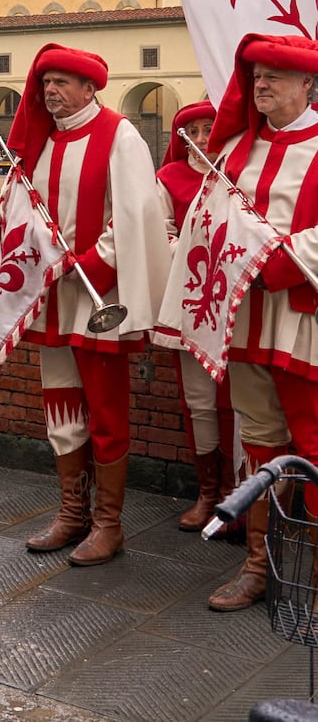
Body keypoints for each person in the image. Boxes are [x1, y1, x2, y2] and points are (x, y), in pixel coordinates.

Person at [0, 44, 171, 566]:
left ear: (90, 88)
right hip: (51, 299)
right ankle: (73, 513)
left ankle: (109, 524)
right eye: (46, 83)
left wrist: (85, 263)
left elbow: (136, 216)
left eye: (63, 82)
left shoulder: (120, 135)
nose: (50, 91)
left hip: (99, 298)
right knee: (62, 406)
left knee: (107, 411)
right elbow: (19, 213)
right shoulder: (39, 143)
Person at [168, 34, 318, 612]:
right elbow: (208, 222)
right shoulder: (234, 151)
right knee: (257, 438)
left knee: (312, 441)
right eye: (256, 75)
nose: (262, 84)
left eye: (276, 75)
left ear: (307, 84)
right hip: (246, 315)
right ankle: (259, 566)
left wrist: (273, 261)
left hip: (303, 314)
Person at [153, 103, 243, 533]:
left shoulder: (238, 171)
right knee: (199, 403)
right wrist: (187, 250)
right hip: (190, 302)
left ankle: (234, 494)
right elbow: (160, 232)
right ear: (181, 135)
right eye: (194, 129)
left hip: (235, 305)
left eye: (211, 127)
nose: (204, 135)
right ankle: (207, 493)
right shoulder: (168, 178)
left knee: (237, 403)